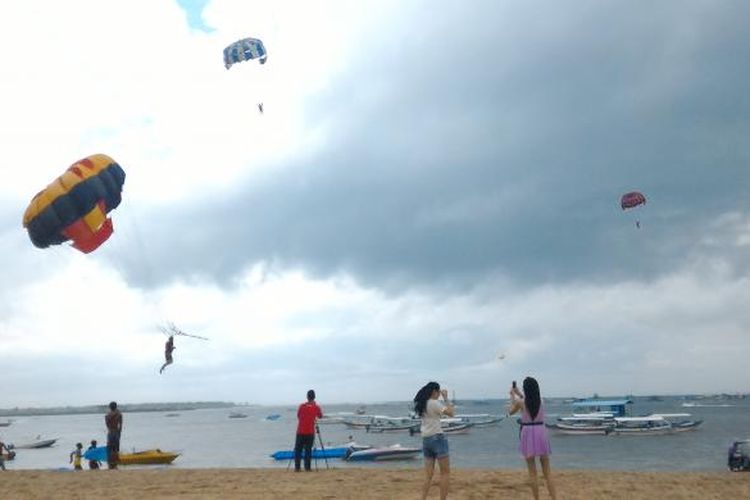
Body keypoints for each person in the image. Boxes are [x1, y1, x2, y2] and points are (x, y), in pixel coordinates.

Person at [508, 377, 558, 500]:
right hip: (541, 431)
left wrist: (512, 396)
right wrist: (518, 394)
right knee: (547, 472)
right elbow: (529, 399)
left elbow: (510, 411)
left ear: (525, 390)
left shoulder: (521, 402)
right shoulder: (541, 400)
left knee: (532, 473)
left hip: (528, 432)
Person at [414, 381, 454, 500]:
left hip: (426, 440)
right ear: (434, 391)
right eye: (438, 391)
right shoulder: (434, 403)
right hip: (437, 438)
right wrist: (446, 398)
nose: (439, 394)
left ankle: (423, 498)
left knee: (428, 476)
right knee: (445, 473)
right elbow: (451, 413)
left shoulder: (423, 404)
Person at [294, 389, 323, 472]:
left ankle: (297, 468)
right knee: (308, 450)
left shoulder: (301, 406)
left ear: (307, 397)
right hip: (310, 432)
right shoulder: (316, 407)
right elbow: (320, 416)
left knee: (298, 450)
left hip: (300, 431)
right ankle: (307, 468)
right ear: (314, 397)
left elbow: (298, 416)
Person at [105, 401, 123, 469]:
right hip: (116, 431)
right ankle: (115, 464)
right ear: (116, 407)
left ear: (110, 407)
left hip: (110, 431)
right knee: (115, 448)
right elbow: (120, 425)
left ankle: (110, 464)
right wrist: (119, 433)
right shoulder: (119, 414)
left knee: (109, 448)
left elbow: (107, 425)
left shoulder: (107, 415)